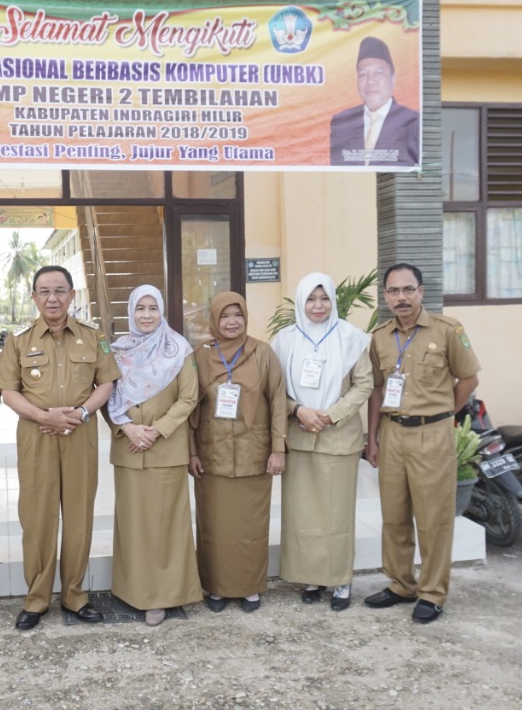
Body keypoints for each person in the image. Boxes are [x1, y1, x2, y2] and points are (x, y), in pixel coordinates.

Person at [0, 265, 121, 630]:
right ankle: (36, 598)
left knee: (79, 515)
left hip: (79, 434)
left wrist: (80, 412)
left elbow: (106, 383)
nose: (52, 298)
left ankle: (75, 595)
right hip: (37, 436)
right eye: (44, 291)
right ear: (34, 297)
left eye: (60, 290)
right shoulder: (18, 340)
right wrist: (41, 415)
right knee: (37, 517)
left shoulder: (94, 337)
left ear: (72, 295)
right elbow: (8, 390)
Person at [364, 263, 481, 624]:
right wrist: (373, 438)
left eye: (408, 290)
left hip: (433, 434)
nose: (401, 298)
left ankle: (432, 592)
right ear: (385, 296)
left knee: (433, 519)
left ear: (421, 292)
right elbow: (378, 389)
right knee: (394, 516)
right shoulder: (380, 336)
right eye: (394, 291)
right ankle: (401, 584)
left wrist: (443, 413)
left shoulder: (447, 330)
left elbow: (468, 379)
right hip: (393, 433)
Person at [271, 273, 375, 611]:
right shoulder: (284, 340)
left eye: (324, 298)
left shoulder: (352, 339)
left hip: (338, 438)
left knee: (337, 514)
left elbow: (364, 384)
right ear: (302, 302)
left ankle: (341, 579)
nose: (318, 306)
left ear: (333, 301)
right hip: (300, 438)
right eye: (311, 299)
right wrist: (298, 410)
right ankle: (312, 576)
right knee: (303, 516)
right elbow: (273, 392)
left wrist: (331, 415)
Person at [105, 285, 201, 627]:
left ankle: (164, 595)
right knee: (134, 526)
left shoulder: (179, 349)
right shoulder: (116, 350)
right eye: (140, 308)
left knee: (166, 526)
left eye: (153, 308)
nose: (146, 315)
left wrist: (157, 430)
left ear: (162, 311)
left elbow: (189, 398)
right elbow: (106, 396)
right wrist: (128, 428)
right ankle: (135, 591)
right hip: (129, 449)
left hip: (166, 449)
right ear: (130, 312)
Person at [188, 292, 287, 613]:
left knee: (251, 527)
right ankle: (216, 588)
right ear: (214, 320)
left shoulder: (263, 353)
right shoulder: (200, 356)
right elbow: (191, 408)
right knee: (214, 528)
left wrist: (277, 449)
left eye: (238, 315)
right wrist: (192, 452)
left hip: (253, 454)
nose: (232, 322)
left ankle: (250, 588)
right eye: (225, 316)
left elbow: (278, 403)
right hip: (212, 455)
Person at [329, 35, 420, 167]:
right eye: (363, 74)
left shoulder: (413, 121)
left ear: (393, 78)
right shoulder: (341, 122)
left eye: (379, 73)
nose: (370, 81)